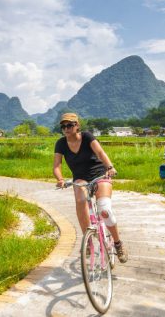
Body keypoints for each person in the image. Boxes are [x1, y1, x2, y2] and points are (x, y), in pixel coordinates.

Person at [53, 112, 128, 263]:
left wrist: (110, 167)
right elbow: (57, 166)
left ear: (77, 126)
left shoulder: (87, 137)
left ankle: (118, 244)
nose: (66, 128)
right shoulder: (61, 143)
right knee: (80, 201)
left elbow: (100, 152)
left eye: (69, 125)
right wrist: (60, 179)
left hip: (100, 175)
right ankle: (87, 240)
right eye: (63, 126)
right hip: (80, 178)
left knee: (104, 209)